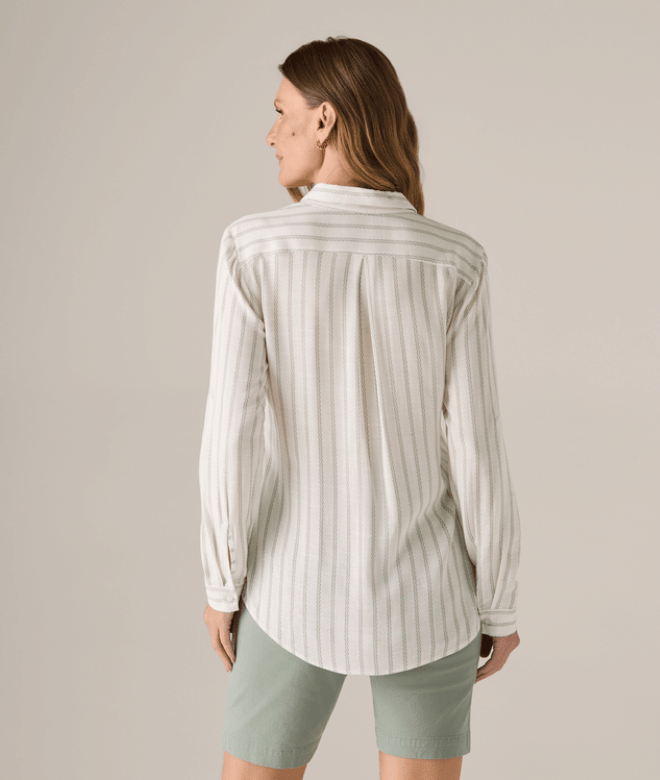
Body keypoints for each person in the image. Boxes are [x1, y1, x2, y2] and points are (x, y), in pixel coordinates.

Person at [200, 36, 521, 780]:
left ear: (325, 120)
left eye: (281, 112)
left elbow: (231, 434)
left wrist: (222, 582)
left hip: (290, 584)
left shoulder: (253, 248)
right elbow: (477, 448)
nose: (271, 133)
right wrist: (499, 604)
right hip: (429, 592)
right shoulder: (454, 259)